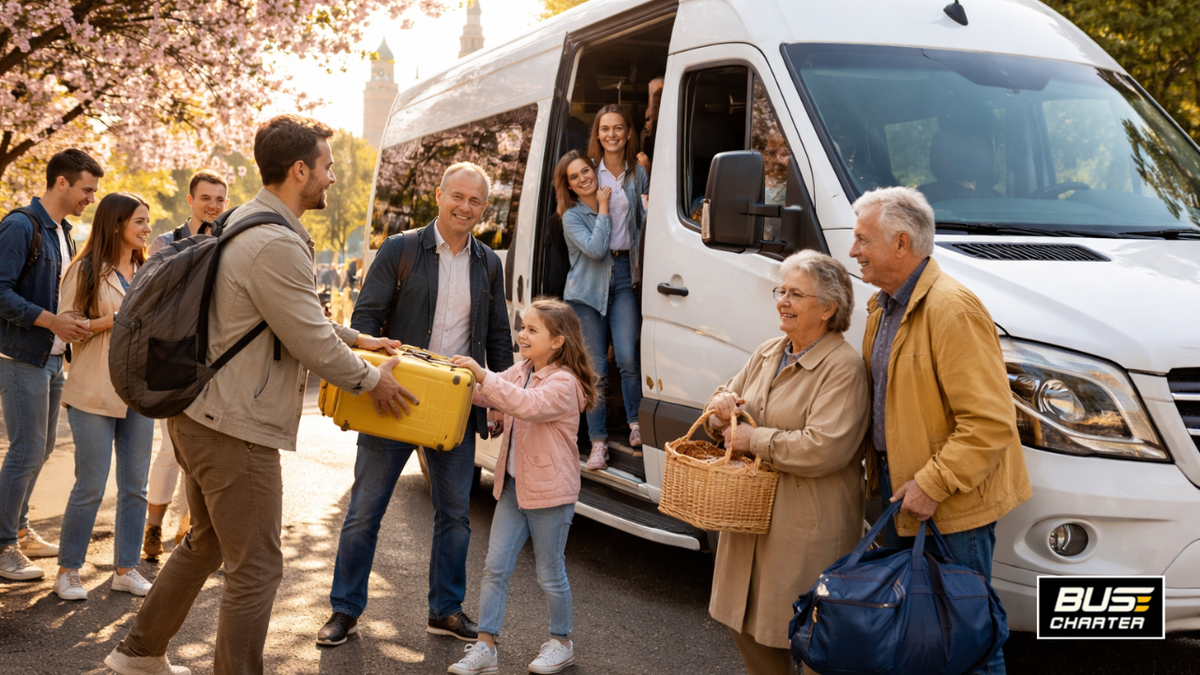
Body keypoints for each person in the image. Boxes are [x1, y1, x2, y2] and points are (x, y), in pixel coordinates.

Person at [104, 115, 414, 675]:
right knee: (258, 569)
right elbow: (310, 340)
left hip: (200, 413)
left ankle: (138, 652)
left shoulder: (244, 220)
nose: (332, 178)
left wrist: (357, 336)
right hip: (233, 429)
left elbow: (283, 317)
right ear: (299, 170)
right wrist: (374, 379)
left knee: (206, 545)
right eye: (327, 167)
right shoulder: (276, 242)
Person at [318, 161, 513, 648]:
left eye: (475, 202)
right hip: (393, 396)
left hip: (455, 406)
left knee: (456, 516)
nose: (465, 208)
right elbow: (365, 319)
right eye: (458, 197)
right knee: (365, 510)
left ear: (484, 209)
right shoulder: (401, 248)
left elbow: (497, 337)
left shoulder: (489, 263)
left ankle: (445, 611)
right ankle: (344, 610)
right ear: (439, 195)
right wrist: (366, 381)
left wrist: (498, 396)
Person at [848, 186, 1032, 675]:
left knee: (967, 636)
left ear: (901, 243)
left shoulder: (952, 308)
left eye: (863, 239)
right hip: (900, 489)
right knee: (918, 630)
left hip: (950, 501)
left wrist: (932, 484)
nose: (853, 250)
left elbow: (989, 422)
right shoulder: (881, 306)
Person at [702, 250, 870, 675]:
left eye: (796, 294)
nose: (782, 301)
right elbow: (727, 403)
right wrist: (720, 408)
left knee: (811, 638)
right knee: (746, 624)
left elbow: (826, 447)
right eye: (781, 291)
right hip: (750, 515)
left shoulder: (843, 367)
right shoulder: (769, 350)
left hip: (806, 524)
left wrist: (752, 438)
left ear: (828, 308)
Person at [445, 298, 596, 675]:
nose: (522, 335)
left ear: (558, 341)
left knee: (549, 573)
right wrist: (460, 376)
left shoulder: (564, 383)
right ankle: (485, 647)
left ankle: (561, 643)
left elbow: (526, 405)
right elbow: (489, 393)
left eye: (532, 330)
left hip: (551, 494)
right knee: (494, 567)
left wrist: (483, 376)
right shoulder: (524, 368)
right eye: (522, 327)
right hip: (514, 487)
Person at [0, 149, 101, 581]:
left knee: (38, 450)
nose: (91, 198)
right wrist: (51, 320)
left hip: (53, 357)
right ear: (61, 182)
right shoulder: (21, 226)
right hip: (21, 356)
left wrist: (71, 320)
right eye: (86, 189)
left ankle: (18, 531)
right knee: (25, 450)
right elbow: (0, 293)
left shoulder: (65, 233)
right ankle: (3, 546)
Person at [53, 192, 157, 600]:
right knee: (91, 485)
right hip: (93, 391)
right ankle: (68, 570)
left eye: (148, 222)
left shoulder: (147, 269)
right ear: (116, 225)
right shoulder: (86, 271)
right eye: (140, 222)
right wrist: (114, 320)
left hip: (139, 393)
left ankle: (125, 568)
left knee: (136, 487)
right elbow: (67, 326)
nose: (147, 229)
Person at [142, 169, 229, 559]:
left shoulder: (229, 242)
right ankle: (153, 528)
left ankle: (189, 529)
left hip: (215, 355)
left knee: (203, 448)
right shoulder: (166, 242)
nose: (213, 205)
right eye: (206, 198)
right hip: (171, 352)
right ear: (191, 201)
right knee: (168, 449)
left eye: (220, 199)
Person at [569, 105, 649, 469]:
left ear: (629, 133)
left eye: (619, 128)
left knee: (630, 356)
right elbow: (588, 234)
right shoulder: (589, 172)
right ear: (597, 134)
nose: (612, 134)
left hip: (624, 272)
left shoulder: (639, 173)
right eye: (605, 128)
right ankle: (598, 443)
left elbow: (648, 221)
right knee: (596, 366)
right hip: (591, 279)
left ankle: (635, 425)